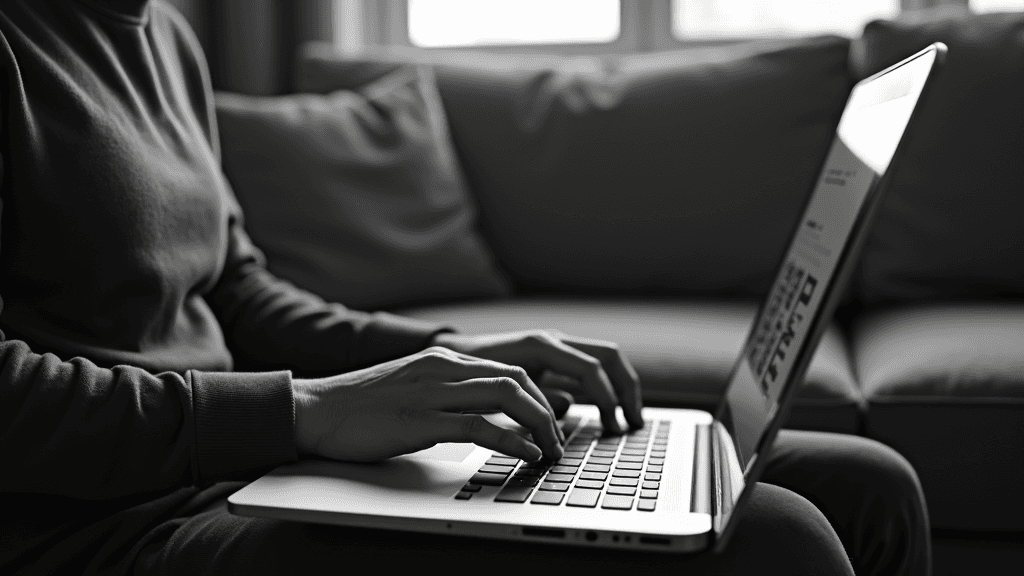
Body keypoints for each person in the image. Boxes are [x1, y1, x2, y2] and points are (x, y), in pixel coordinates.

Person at [0, 1, 930, 575]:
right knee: (783, 542)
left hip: (247, 465)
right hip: (105, 527)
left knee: (869, 488)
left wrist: (444, 358)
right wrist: (301, 414)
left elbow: (235, 290)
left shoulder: (166, 36)